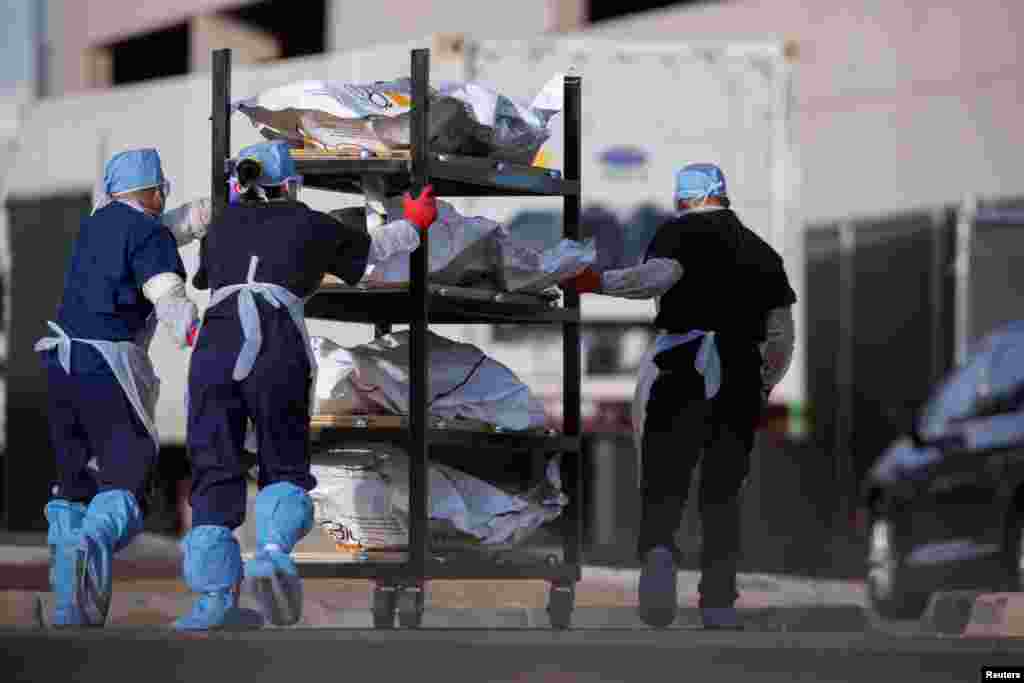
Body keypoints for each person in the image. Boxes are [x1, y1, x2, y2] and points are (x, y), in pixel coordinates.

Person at [178, 141, 437, 631]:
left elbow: (215, 274)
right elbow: (371, 253)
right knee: (283, 458)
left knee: (215, 463)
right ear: (290, 184)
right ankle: (272, 555)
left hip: (214, 347)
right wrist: (416, 224)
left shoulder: (221, 227)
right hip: (274, 344)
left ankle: (212, 600)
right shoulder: (310, 222)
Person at [561, 163, 797, 630]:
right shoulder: (763, 252)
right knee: (723, 491)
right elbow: (781, 336)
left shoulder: (677, 235)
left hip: (682, 368)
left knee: (664, 476)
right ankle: (718, 602)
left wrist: (597, 282)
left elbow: (655, 279)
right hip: (739, 375)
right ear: (723, 197)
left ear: (685, 199)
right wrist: (762, 384)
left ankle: (660, 563)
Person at [35, 149, 208, 628]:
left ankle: (71, 604)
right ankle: (90, 544)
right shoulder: (149, 233)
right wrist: (190, 331)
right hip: (106, 363)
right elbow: (165, 291)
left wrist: (203, 216)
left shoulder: (96, 225)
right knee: (127, 473)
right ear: (154, 192)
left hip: (59, 361)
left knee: (74, 482)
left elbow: (148, 232)